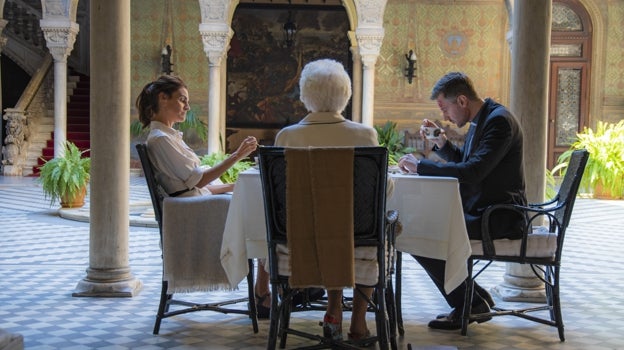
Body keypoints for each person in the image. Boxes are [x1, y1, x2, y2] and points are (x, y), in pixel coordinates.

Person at [398, 71, 527, 330]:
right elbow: (468, 164)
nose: (445, 117)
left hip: (500, 218)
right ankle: (474, 297)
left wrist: (421, 166)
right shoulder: (485, 119)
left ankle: (470, 303)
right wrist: (441, 143)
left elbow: (472, 172)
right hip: (485, 211)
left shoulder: (499, 121)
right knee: (422, 227)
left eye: (446, 109)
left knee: (417, 232)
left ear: (462, 101)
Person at [271, 58, 384, 342]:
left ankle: (333, 308)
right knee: (350, 226)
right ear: (346, 95)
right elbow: (382, 193)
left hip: (296, 242)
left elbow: (279, 196)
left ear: (304, 96)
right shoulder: (364, 135)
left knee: (328, 222)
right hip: (355, 240)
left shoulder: (287, 137)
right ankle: (358, 322)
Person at [135, 75, 258, 197]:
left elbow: (194, 187)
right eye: (182, 100)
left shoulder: (168, 137)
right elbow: (198, 182)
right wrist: (237, 155)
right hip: (192, 205)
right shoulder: (161, 139)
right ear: (163, 98)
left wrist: (234, 186)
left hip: (197, 199)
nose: (187, 107)